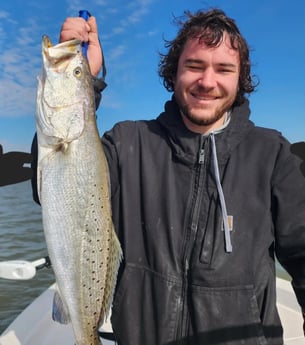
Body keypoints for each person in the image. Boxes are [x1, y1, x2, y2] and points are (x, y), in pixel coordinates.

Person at [33, 9, 305, 345]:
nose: (207, 81)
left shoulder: (272, 153)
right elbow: (53, 184)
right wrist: (84, 79)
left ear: (240, 78)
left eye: (223, 69)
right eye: (194, 66)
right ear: (173, 72)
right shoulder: (126, 143)